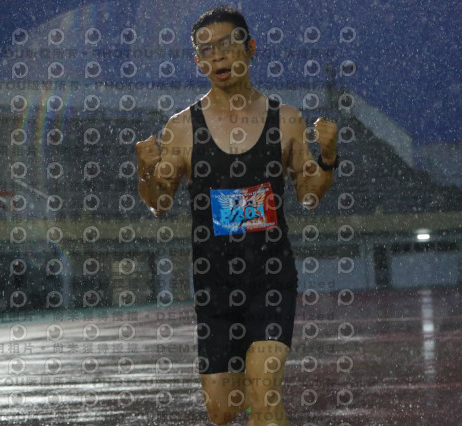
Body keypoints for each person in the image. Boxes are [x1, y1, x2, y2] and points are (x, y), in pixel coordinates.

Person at [136, 7, 338, 425]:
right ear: (198, 61)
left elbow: (309, 195)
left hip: (271, 279)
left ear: (251, 48)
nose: (219, 56)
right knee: (223, 410)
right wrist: (144, 171)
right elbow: (158, 203)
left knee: (263, 395)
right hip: (215, 285)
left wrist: (329, 157)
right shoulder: (181, 128)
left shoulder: (286, 120)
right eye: (206, 50)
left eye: (227, 44)